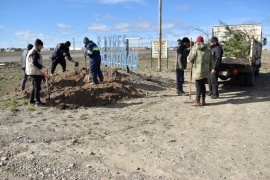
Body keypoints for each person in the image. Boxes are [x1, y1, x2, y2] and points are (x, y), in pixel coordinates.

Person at [188, 36, 212, 106]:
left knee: (198, 86)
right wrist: (210, 69)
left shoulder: (195, 48)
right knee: (203, 86)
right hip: (205, 71)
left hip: (197, 71)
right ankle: (203, 100)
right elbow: (211, 60)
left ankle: (197, 101)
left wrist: (191, 51)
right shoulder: (208, 49)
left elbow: (190, 58)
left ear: (197, 42)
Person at [25, 39, 46, 107]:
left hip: (33, 71)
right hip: (34, 72)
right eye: (41, 46)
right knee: (37, 87)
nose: (42, 47)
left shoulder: (33, 51)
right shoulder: (35, 52)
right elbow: (34, 62)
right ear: (38, 45)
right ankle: (38, 102)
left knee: (34, 87)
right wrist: (42, 68)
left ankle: (31, 101)